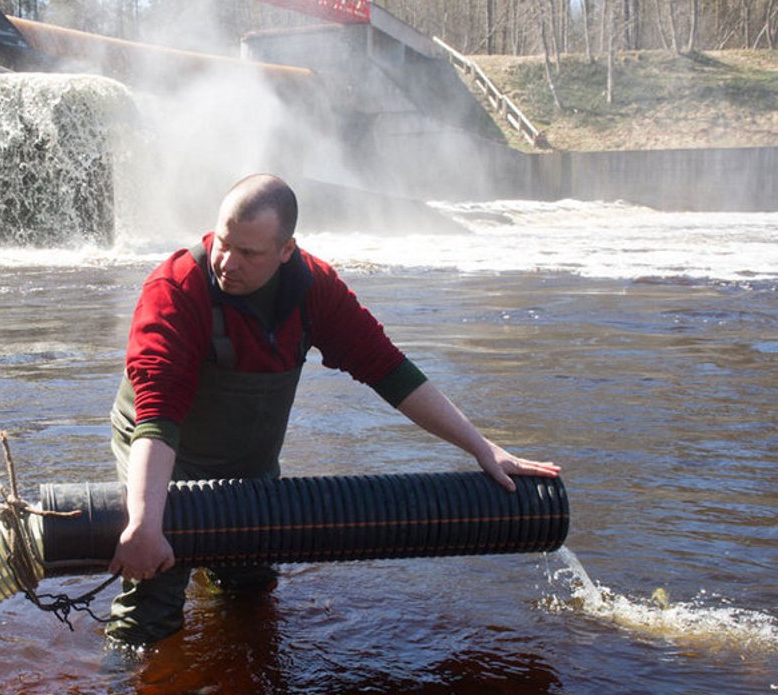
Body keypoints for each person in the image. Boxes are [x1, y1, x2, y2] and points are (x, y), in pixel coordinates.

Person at [105, 173, 560, 646]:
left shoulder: (313, 289)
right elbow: (157, 416)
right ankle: (124, 684)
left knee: (251, 587)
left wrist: (481, 447)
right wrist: (141, 524)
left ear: (286, 251)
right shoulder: (177, 289)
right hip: (159, 447)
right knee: (152, 589)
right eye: (222, 242)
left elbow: (390, 371)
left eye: (249, 253)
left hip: (247, 461)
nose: (226, 262)